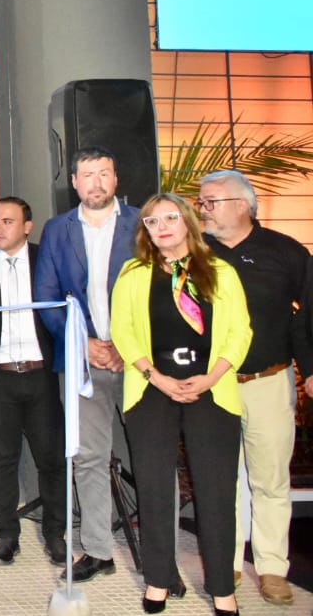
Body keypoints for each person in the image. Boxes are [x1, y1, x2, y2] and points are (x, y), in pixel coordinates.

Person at [110, 193, 251, 616]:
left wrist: (211, 377)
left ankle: (222, 588)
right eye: (152, 222)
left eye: (170, 218)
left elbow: (240, 332)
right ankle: (158, 580)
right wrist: (156, 376)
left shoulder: (221, 271)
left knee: (216, 492)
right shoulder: (133, 273)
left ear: (188, 222)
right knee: (154, 490)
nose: (162, 227)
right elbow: (123, 330)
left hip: (212, 389)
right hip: (153, 388)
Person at [197, 169, 312, 605]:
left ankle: (272, 569)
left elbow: (307, 316)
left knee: (270, 480)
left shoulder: (286, 252)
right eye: (201, 202)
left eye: (211, 202)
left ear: (242, 206)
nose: (203, 210)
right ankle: (224, 562)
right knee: (219, 479)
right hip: (213, 385)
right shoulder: (194, 252)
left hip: (269, 381)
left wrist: (311, 369)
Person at [34, 145, 139, 582]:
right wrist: (83, 345)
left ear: (116, 178)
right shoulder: (57, 230)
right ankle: (97, 550)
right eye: (88, 175)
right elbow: (47, 297)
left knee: (150, 459)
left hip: (139, 362)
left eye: (104, 173)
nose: (96, 182)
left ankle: (162, 556)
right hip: (82, 361)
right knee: (89, 457)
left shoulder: (143, 224)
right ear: (74, 182)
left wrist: (125, 348)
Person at [0, 197, 67, 566]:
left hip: (41, 376)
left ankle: (55, 534)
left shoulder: (46, 260)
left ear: (27, 226)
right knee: (3, 460)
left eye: (7, 221)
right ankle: (8, 534)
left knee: (51, 460)